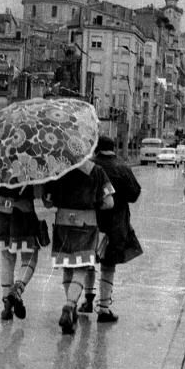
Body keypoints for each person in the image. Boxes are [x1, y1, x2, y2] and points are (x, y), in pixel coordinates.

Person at [44, 160, 114, 334]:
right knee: (81, 268)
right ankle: (69, 306)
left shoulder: (57, 169)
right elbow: (109, 202)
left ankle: (72, 306)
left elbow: (47, 202)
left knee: (67, 267)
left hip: (62, 223)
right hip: (86, 223)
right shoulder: (97, 170)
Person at [78, 135, 143, 322]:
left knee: (88, 260)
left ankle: (87, 300)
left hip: (90, 220)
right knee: (108, 264)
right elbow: (134, 194)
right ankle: (104, 308)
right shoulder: (123, 167)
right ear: (113, 148)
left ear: (96, 148)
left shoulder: (89, 166)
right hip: (115, 223)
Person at [0, 183, 42, 321]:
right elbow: (40, 194)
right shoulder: (32, 164)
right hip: (23, 213)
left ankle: (6, 305)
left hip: (1, 212)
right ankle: (17, 291)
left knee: (6, 259)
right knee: (30, 256)